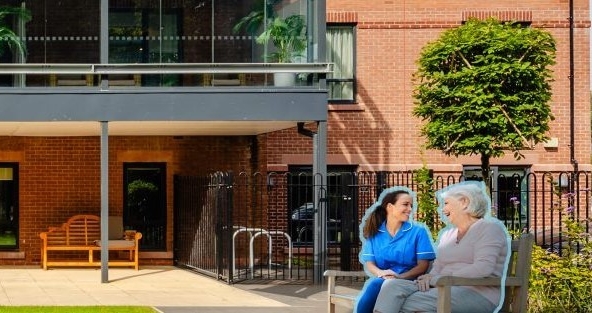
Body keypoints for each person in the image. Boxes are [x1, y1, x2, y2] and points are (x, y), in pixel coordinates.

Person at [373, 181, 511, 313]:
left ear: (464, 202)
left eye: (446, 204)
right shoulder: (448, 235)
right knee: (391, 286)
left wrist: (440, 278)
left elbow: (483, 268)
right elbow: (438, 267)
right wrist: (429, 277)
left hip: (478, 293)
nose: (443, 209)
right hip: (442, 287)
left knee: (401, 303)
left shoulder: (489, 229)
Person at [355, 187, 436, 313]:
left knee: (376, 285)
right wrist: (381, 273)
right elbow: (370, 262)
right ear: (390, 207)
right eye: (405, 204)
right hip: (383, 280)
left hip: (410, 281)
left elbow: (423, 265)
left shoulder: (418, 232)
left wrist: (399, 277)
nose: (410, 209)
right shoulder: (374, 233)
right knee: (377, 284)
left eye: (411, 205)